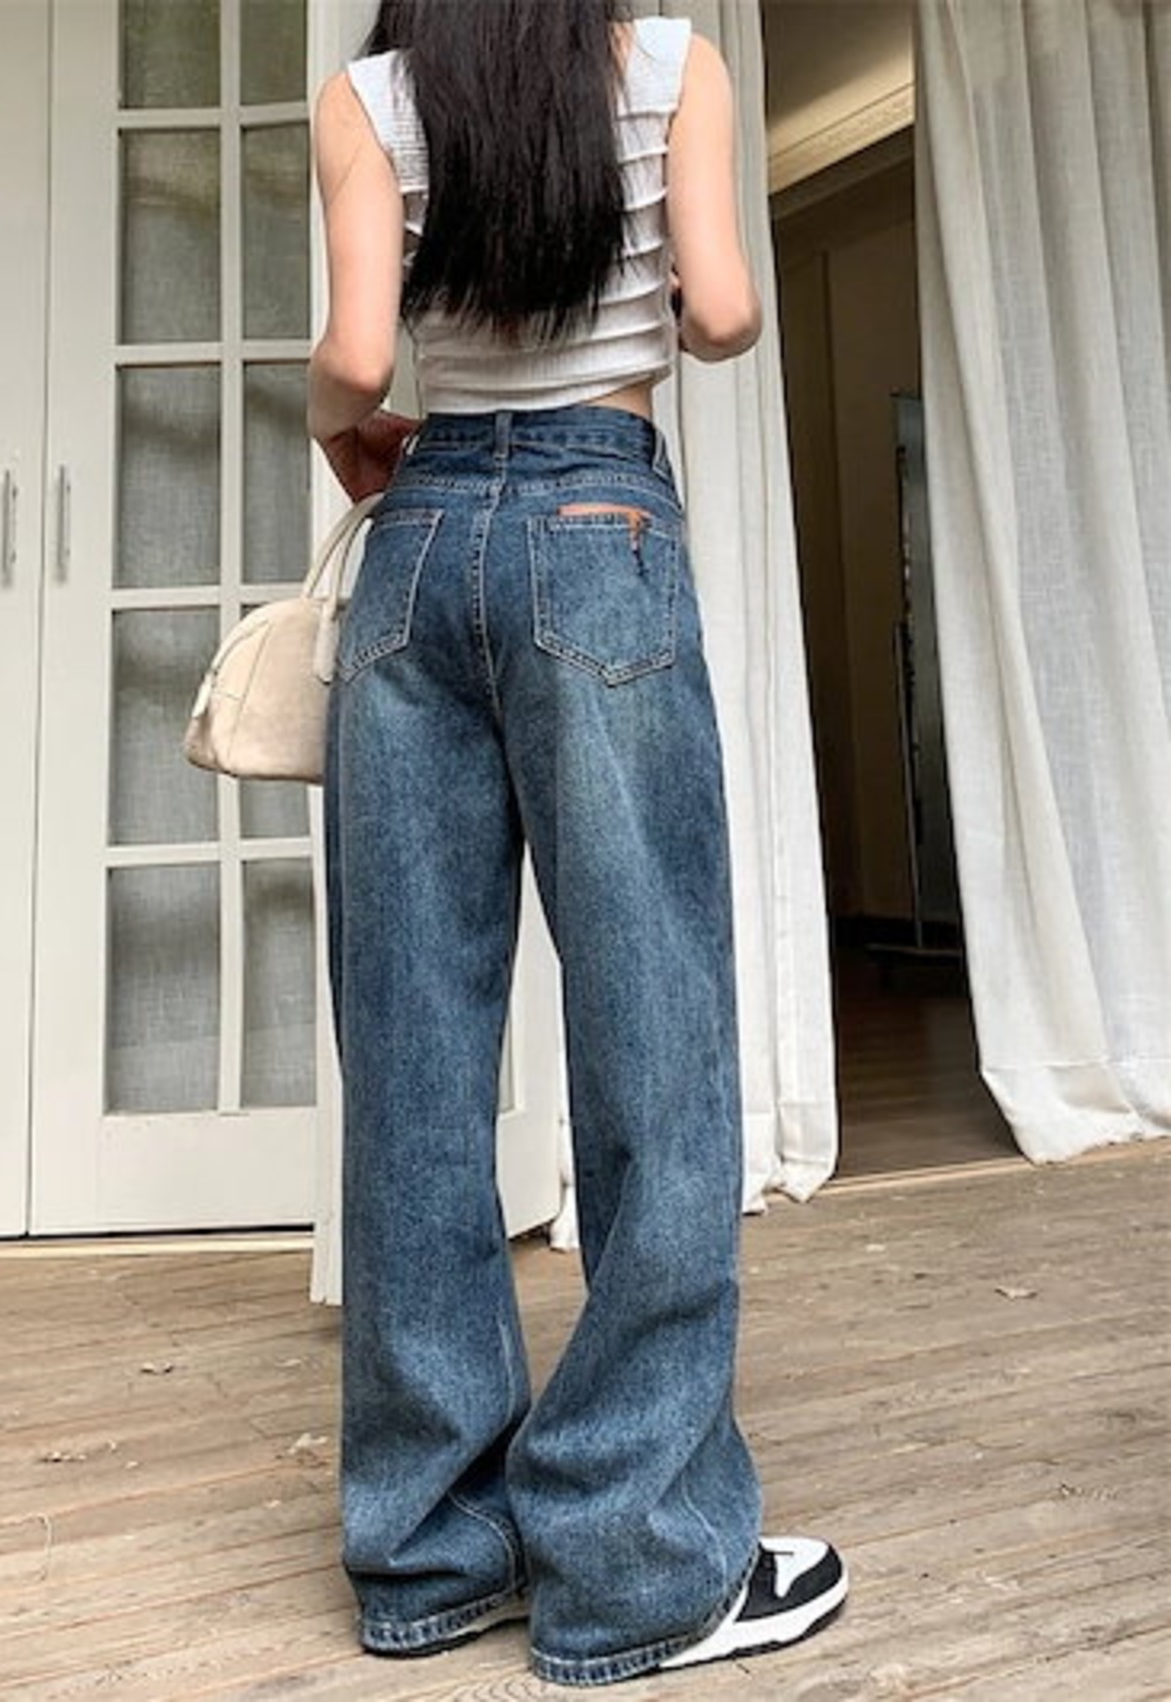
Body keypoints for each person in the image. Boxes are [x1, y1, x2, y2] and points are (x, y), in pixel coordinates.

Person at [306, 0, 846, 1686]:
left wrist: (340, 429)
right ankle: (635, 1561)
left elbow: (356, 361)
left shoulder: (367, 97)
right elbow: (729, 312)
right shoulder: (674, 68)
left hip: (419, 546)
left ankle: (430, 1550)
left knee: (413, 1058)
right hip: (602, 524)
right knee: (655, 1047)